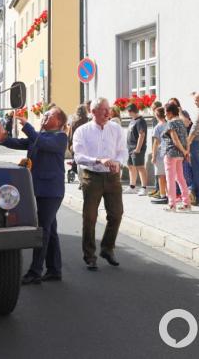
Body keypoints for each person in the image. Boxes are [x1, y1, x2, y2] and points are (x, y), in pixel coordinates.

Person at [0, 107, 68, 284]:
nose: (45, 116)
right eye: (44, 114)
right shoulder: (39, 137)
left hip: (52, 191)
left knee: (42, 231)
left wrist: (27, 126)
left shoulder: (60, 137)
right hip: (37, 188)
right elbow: (20, 143)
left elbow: (42, 143)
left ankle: (35, 272)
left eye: (49, 114)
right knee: (50, 230)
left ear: (59, 121)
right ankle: (54, 270)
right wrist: (3, 139)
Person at [72, 98, 128, 269]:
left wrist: (118, 163)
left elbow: (122, 151)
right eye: (103, 110)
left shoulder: (116, 128)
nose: (107, 113)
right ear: (93, 112)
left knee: (116, 214)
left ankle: (107, 248)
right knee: (90, 217)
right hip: (92, 176)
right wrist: (97, 160)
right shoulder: (82, 131)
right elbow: (78, 156)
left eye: (108, 109)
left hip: (112, 177)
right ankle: (89, 255)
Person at [162, 103, 192, 211]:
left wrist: (184, 151)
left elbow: (175, 140)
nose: (165, 115)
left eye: (165, 113)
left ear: (170, 113)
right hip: (180, 155)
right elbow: (186, 139)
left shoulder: (171, 123)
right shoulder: (181, 122)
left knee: (170, 179)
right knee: (180, 178)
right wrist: (186, 151)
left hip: (171, 153)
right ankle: (186, 203)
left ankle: (171, 204)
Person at [124, 103, 148, 196]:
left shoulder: (140, 121)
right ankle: (132, 186)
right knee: (131, 166)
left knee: (140, 167)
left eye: (128, 112)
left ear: (131, 111)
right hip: (130, 148)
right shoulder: (132, 120)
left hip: (137, 148)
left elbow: (142, 135)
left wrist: (138, 148)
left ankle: (144, 188)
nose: (127, 114)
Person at [150, 107, 168, 204]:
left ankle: (163, 195)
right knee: (168, 176)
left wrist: (153, 156)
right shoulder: (168, 124)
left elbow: (155, 143)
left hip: (160, 153)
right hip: (168, 153)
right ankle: (170, 194)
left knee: (161, 176)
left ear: (156, 115)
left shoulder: (158, 127)